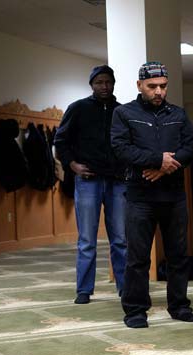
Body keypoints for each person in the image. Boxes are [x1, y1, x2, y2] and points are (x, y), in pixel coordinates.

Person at [111, 61, 193, 328]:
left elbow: (191, 145)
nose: (158, 91)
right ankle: (136, 311)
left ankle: (179, 306)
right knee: (137, 258)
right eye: (152, 86)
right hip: (140, 198)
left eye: (162, 86)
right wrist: (155, 160)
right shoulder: (124, 113)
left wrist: (164, 169)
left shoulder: (178, 114)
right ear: (139, 85)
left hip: (173, 196)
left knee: (178, 256)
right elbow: (120, 148)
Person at [54, 65, 126, 304]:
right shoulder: (78, 109)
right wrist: (72, 165)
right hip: (87, 181)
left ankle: (125, 287)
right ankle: (84, 290)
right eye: (99, 82)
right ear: (91, 85)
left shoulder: (121, 111)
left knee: (121, 239)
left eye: (108, 82)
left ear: (113, 83)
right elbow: (60, 141)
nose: (104, 86)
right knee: (87, 239)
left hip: (117, 181)